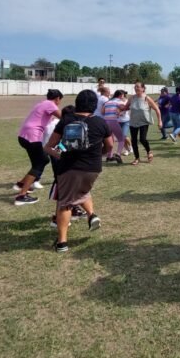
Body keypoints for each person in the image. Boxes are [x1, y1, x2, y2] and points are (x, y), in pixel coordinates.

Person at [44, 90, 113, 252]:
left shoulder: (66, 120)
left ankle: (62, 242)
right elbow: (110, 146)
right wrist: (99, 154)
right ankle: (91, 215)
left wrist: (59, 155)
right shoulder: (101, 122)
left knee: (65, 203)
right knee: (82, 191)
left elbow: (49, 146)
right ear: (94, 105)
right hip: (93, 169)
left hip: (69, 168)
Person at [13, 89, 63, 206]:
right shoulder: (50, 104)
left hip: (24, 136)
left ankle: (21, 184)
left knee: (41, 161)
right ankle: (21, 195)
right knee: (40, 162)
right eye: (60, 100)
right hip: (31, 136)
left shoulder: (41, 104)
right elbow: (63, 117)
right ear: (57, 99)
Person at [123, 82, 162, 165]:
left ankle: (149, 151)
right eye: (135, 87)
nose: (136, 88)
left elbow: (157, 109)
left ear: (143, 88)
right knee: (133, 141)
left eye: (138, 87)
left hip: (144, 122)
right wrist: (118, 108)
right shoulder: (132, 98)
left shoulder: (147, 98)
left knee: (142, 139)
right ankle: (136, 158)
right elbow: (126, 107)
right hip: (133, 122)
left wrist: (160, 121)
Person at [102, 90, 126, 164]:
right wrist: (120, 111)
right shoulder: (119, 101)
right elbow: (124, 107)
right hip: (113, 121)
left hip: (105, 121)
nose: (123, 97)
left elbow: (102, 112)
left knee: (110, 139)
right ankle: (118, 154)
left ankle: (109, 156)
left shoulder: (107, 102)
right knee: (121, 139)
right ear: (120, 95)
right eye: (123, 95)